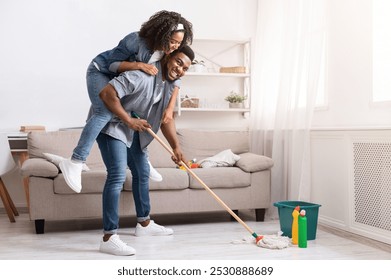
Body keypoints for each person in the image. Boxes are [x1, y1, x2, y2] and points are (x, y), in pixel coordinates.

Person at [59, 10, 193, 193]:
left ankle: (141, 159)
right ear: (162, 34)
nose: (175, 46)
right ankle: (75, 161)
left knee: (141, 107)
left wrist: (170, 107)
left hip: (121, 79)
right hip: (101, 72)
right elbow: (112, 64)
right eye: (172, 41)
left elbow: (176, 78)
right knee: (105, 112)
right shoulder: (136, 40)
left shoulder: (167, 52)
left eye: (179, 43)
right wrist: (138, 65)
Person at [97, 46, 194, 256]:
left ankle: (144, 224)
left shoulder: (168, 85)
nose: (180, 70)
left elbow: (165, 119)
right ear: (168, 56)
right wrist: (129, 120)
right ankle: (109, 237)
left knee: (142, 172)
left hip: (135, 130)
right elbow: (106, 93)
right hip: (113, 126)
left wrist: (176, 148)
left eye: (185, 68)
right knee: (117, 175)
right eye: (178, 62)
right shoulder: (141, 74)